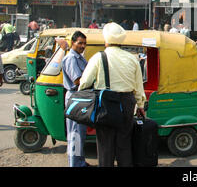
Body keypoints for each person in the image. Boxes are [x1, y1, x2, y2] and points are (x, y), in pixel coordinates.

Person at [79, 23, 146, 167]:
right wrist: (140, 106)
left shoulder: (98, 58)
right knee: (124, 143)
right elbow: (138, 87)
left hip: (105, 104)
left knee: (105, 146)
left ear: (106, 41)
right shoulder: (132, 59)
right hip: (127, 103)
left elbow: (84, 82)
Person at [62, 31, 90, 167]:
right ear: (72, 43)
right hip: (75, 98)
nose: (82, 46)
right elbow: (78, 80)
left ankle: (80, 161)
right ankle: (75, 164)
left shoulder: (79, 57)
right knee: (75, 134)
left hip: (80, 98)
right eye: (80, 43)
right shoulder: (71, 58)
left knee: (80, 133)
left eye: (84, 43)